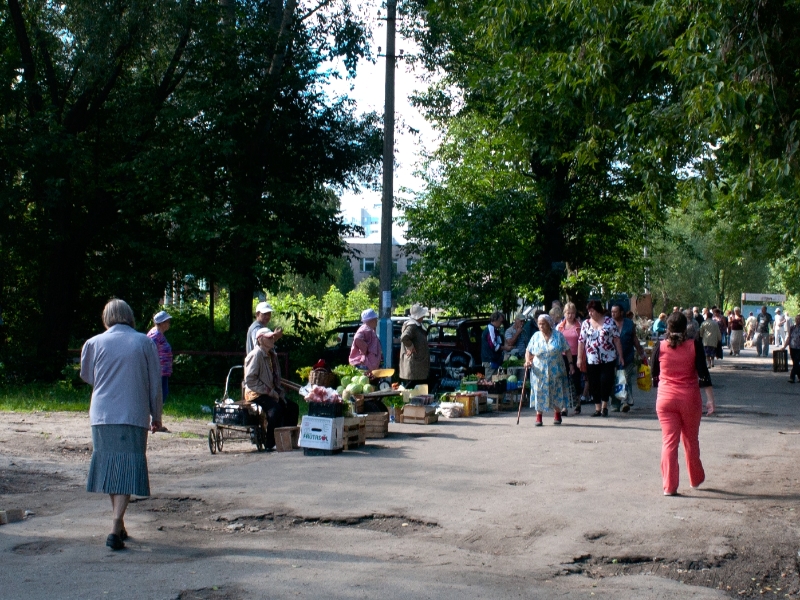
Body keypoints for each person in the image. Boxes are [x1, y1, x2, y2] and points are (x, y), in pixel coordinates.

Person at [80, 299, 163, 551]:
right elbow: (154, 383)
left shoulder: (93, 343)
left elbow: (87, 375)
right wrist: (156, 415)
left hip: (102, 415)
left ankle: (119, 523)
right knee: (126, 467)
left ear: (106, 317)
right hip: (133, 413)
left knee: (110, 466)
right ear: (130, 316)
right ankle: (116, 524)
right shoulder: (145, 343)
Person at [650, 312, 711, 496]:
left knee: (669, 442)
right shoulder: (694, 345)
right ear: (686, 327)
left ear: (667, 328)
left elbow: (654, 372)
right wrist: (711, 400)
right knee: (690, 440)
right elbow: (703, 374)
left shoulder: (659, 346)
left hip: (665, 399)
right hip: (689, 399)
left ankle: (669, 486)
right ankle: (695, 478)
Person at [244, 328, 300, 449]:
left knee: (292, 407)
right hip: (256, 393)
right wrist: (269, 391)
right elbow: (250, 380)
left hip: (271, 391)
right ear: (260, 340)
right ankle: (271, 443)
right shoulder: (256, 355)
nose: (272, 339)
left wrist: (276, 392)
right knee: (275, 410)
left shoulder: (271, 353)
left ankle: (287, 440)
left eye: (272, 337)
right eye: (269, 337)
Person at [577, 300, 624, 417]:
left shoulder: (609, 322)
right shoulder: (586, 324)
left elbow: (616, 339)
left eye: (592, 311)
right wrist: (579, 358)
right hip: (592, 359)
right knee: (594, 383)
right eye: (589, 311)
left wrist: (621, 356)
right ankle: (597, 408)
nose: (590, 313)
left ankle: (604, 405)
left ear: (598, 310)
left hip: (608, 358)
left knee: (605, 381)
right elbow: (581, 342)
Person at [526, 314, 574, 426]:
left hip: (556, 370)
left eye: (543, 324)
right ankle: (539, 416)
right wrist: (528, 360)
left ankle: (557, 413)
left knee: (556, 390)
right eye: (539, 324)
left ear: (549, 324)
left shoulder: (558, 336)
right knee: (539, 391)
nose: (541, 326)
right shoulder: (536, 336)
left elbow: (567, 350)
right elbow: (528, 350)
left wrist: (571, 364)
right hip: (539, 370)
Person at [610, 303, 647, 412]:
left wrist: (641, 352)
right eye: (612, 312)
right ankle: (615, 403)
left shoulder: (629, 324)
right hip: (612, 357)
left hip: (628, 356)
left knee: (625, 377)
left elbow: (634, 339)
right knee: (614, 380)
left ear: (621, 312)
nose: (613, 314)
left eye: (615, 312)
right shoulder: (609, 324)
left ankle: (625, 401)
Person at [556, 302, 583, 414]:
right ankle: (564, 406)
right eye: (568, 313)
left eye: (572, 313)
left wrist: (580, 358)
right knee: (563, 381)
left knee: (576, 380)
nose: (570, 315)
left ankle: (577, 402)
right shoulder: (560, 327)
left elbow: (582, 342)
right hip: (562, 356)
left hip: (576, 355)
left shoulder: (579, 326)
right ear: (564, 313)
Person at [399, 304, 430, 388]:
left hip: (417, 364)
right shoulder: (412, 326)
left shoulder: (416, 325)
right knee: (411, 389)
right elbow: (404, 337)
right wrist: (410, 346)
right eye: (422, 315)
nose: (423, 317)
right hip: (414, 364)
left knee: (417, 389)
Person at [147, 311, 173, 410]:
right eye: (167, 321)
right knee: (159, 395)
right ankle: (154, 418)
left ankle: (155, 418)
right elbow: (149, 351)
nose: (169, 323)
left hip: (162, 371)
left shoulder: (158, 334)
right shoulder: (155, 335)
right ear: (162, 323)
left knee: (161, 394)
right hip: (158, 371)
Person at [349, 308, 382, 373]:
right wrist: (364, 350)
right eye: (375, 319)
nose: (376, 321)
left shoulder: (369, 329)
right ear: (371, 320)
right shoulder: (365, 329)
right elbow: (357, 338)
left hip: (368, 365)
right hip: (365, 364)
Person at [481, 312, 505, 379]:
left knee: (494, 381)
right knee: (489, 381)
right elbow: (493, 346)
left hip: (493, 359)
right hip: (490, 360)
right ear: (495, 320)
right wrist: (505, 348)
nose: (501, 323)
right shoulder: (491, 330)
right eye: (501, 321)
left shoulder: (494, 330)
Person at [779, 315, 800, 383]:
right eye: (796, 319)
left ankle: (792, 377)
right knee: (795, 363)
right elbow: (789, 338)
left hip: (799, 348)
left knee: (796, 362)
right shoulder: (792, 328)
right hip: (792, 347)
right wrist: (784, 346)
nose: (797, 320)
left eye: (799, 319)